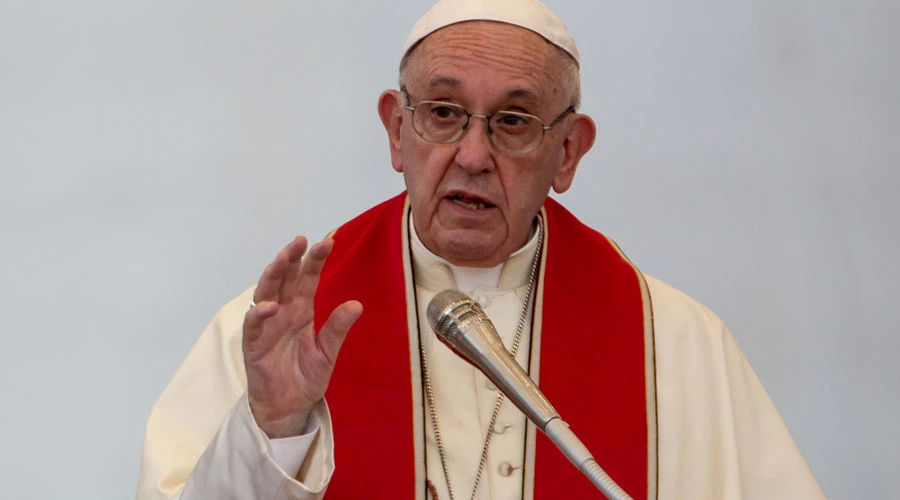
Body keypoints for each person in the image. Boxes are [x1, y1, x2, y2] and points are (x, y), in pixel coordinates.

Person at [136, 1, 827, 499]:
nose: (472, 155)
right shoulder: (271, 336)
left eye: (514, 121)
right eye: (442, 112)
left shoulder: (678, 346)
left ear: (568, 151)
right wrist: (273, 429)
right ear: (394, 131)